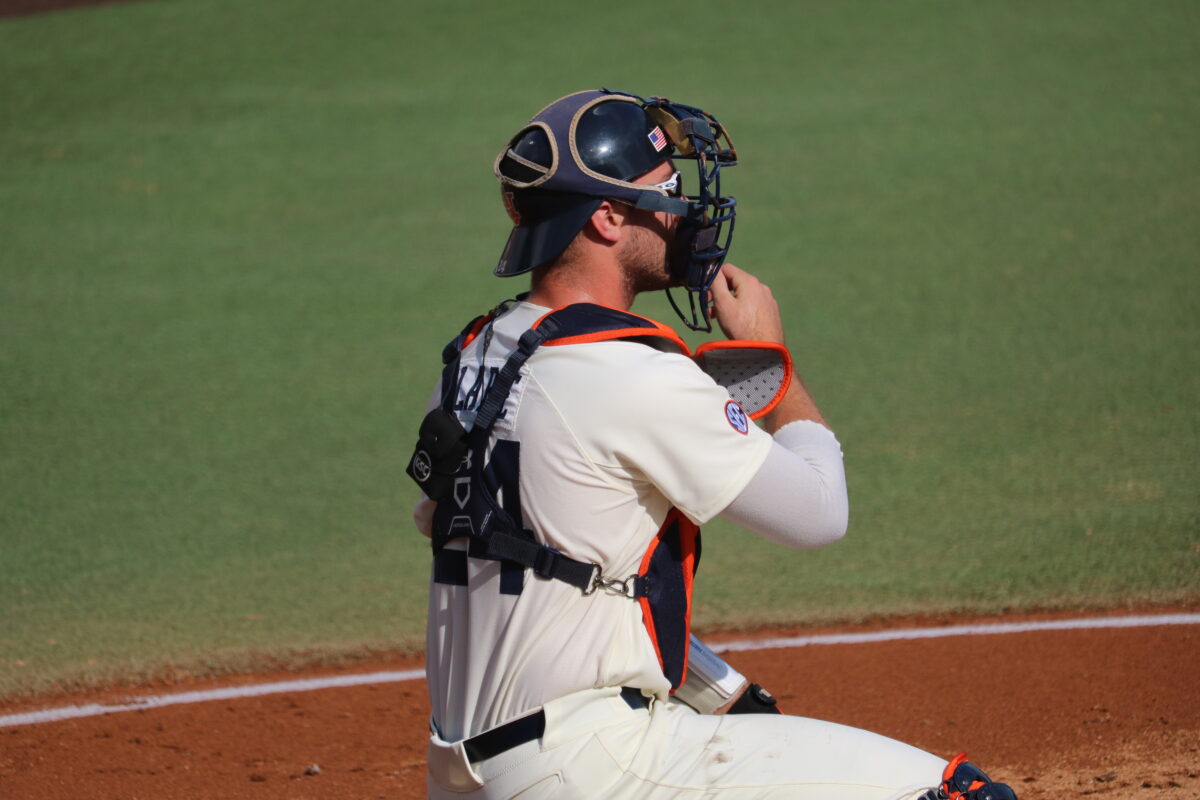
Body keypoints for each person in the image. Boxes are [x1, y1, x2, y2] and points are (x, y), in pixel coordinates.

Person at [408, 89, 1016, 800]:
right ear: (606, 218)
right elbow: (820, 512)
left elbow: (559, 574)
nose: (684, 211)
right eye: (665, 191)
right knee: (960, 796)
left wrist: (716, 688)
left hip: (468, 777)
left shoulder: (473, 358)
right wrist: (767, 358)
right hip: (588, 768)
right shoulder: (633, 375)